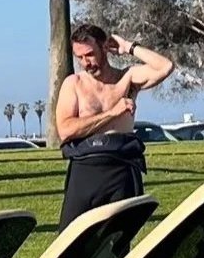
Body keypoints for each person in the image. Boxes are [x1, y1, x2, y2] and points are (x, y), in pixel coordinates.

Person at [52, 25, 173, 225]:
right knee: (71, 239)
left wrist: (128, 47)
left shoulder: (127, 78)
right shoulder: (74, 84)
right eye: (79, 57)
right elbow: (65, 130)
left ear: (104, 47)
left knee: (118, 239)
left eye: (90, 54)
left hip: (121, 169)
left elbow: (165, 66)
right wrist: (112, 113)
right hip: (85, 169)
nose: (85, 63)